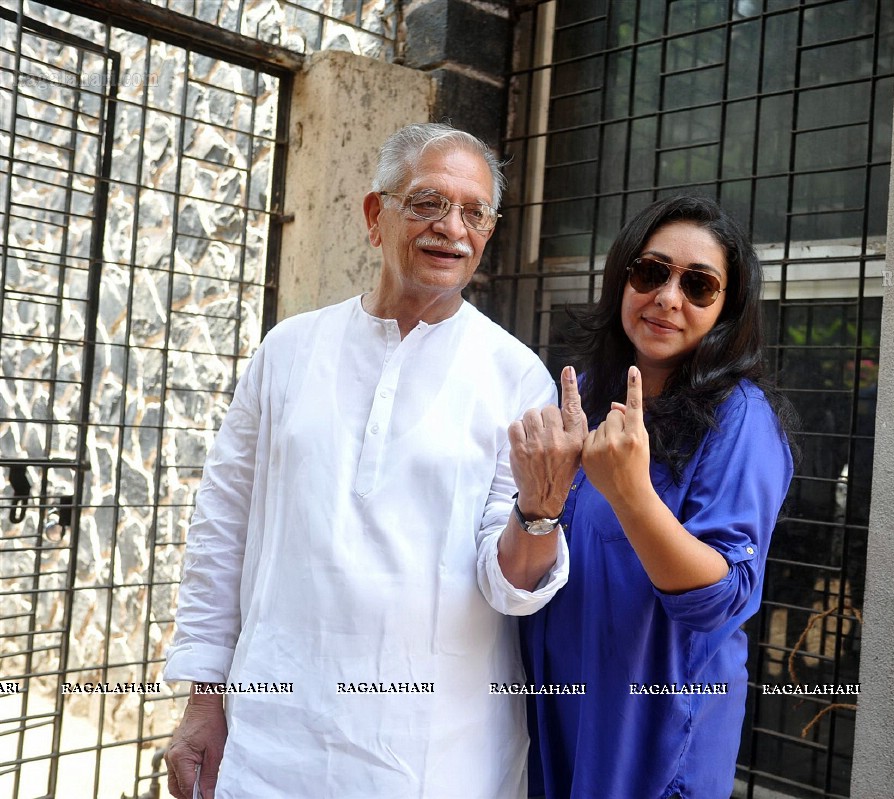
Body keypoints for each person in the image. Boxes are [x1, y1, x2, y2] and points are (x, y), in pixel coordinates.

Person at [162, 122, 586, 798]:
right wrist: (203, 698)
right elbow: (223, 528)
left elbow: (508, 586)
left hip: (434, 751)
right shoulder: (288, 350)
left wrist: (539, 512)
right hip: (274, 730)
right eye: (426, 202)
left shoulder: (515, 377)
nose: (451, 227)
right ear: (373, 214)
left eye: (474, 211)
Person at [520, 196, 795, 799]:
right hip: (563, 706)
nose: (669, 297)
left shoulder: (739, 418)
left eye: (699, 285)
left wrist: (634, 496)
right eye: (651, 272)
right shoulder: (587, 397)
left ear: (726, 309)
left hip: (653, 730)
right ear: (623, 279)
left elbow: (722, 598)